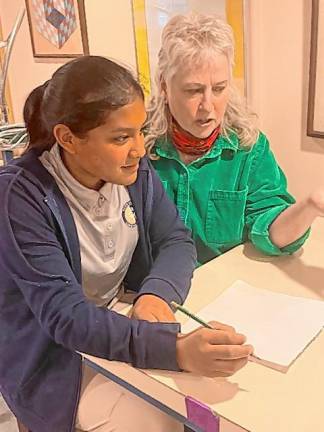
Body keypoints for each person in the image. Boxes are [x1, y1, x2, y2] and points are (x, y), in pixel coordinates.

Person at [0, 56, 253, 432]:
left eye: (140, 131)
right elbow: (65, 318)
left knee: (220, 401)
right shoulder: (19, 195)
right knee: (156, 419)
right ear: (67, 138)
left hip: (119, 322)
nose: (138, 148)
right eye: (121, 137)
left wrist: (156, 294)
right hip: (54, 358)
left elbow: (176, 240)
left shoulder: (132, 169)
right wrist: (175, 349)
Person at [146, 13, 324, 266]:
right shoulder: (138, 144)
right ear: (164, 86)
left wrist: (310, 206)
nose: (208, 106)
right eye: (193, 90)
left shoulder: (247, 146)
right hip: (152, 290)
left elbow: (270, 229)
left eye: (219, 88)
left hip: (219, 290)